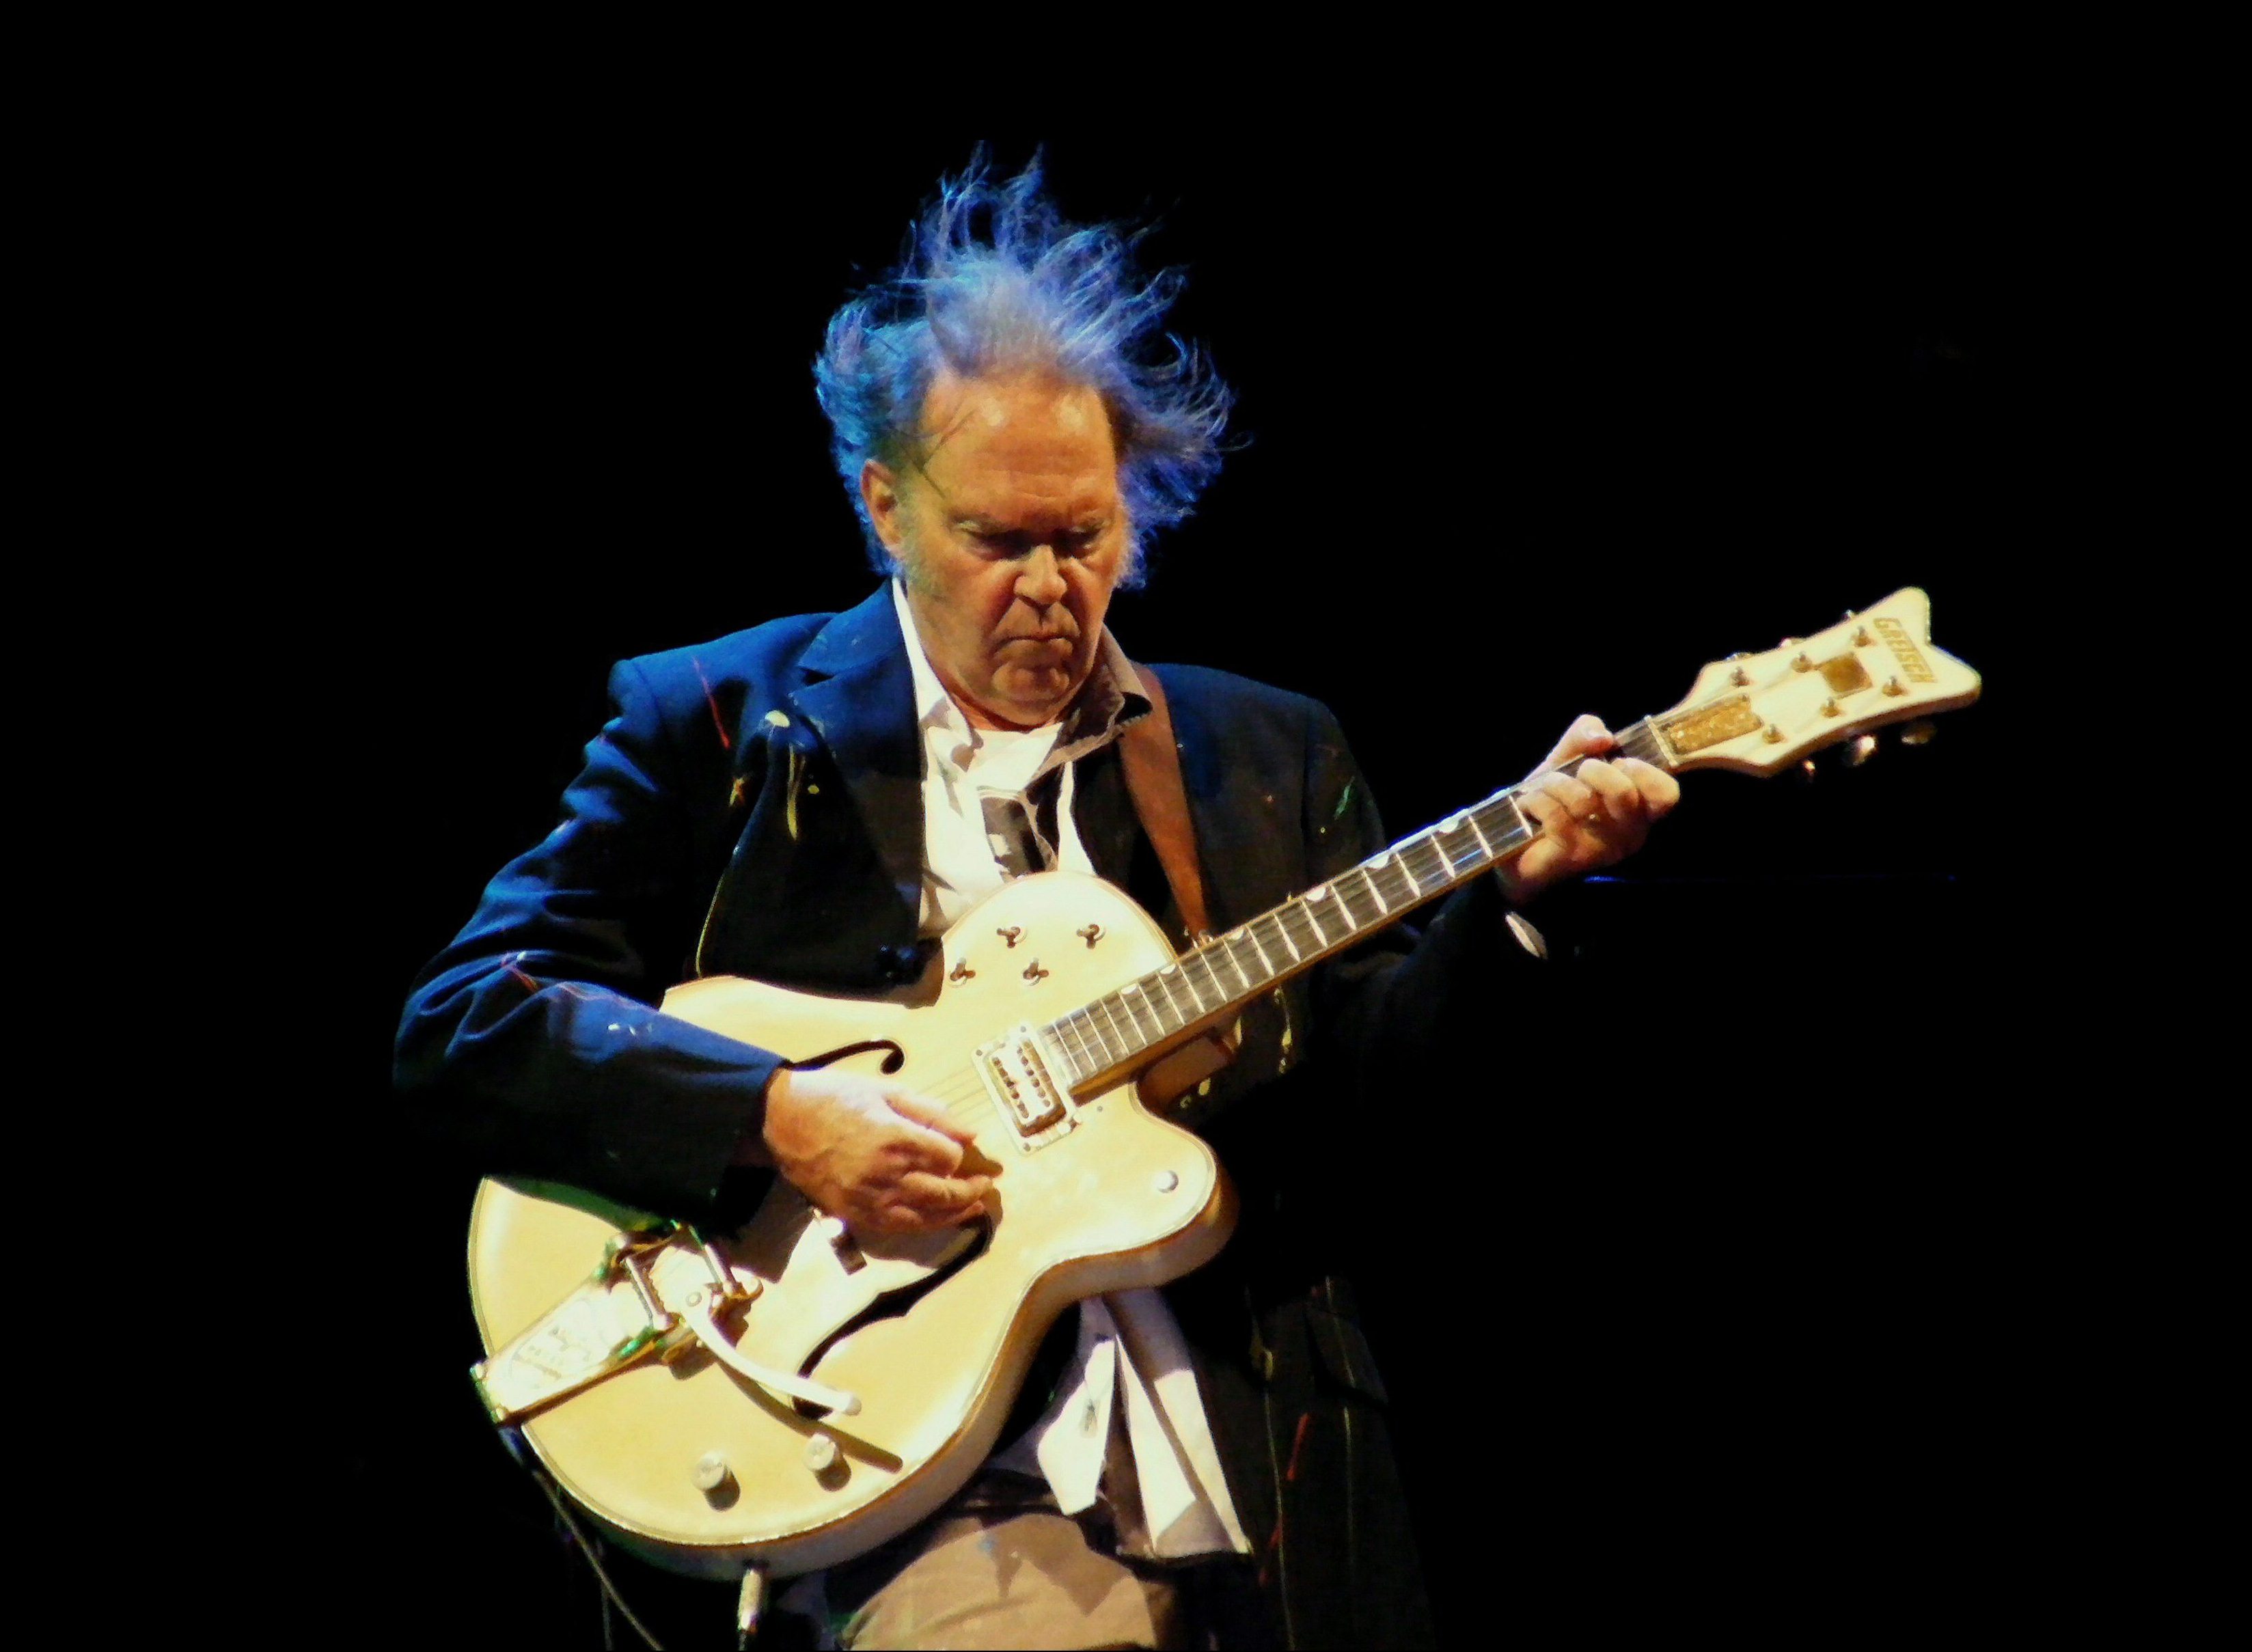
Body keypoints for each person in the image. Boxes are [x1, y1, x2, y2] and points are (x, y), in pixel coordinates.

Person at [398, 159, 1679, 1650]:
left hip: (1260, 1461)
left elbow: (1387, 1116)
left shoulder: (1265, 752)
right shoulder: (721, 725)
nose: (1051, 588)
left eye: (1083, 538)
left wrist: (1517, 912)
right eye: (997, 542)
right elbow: (468, 1021)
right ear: (886, 507)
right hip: (907, 1463)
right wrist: (776, 1115)